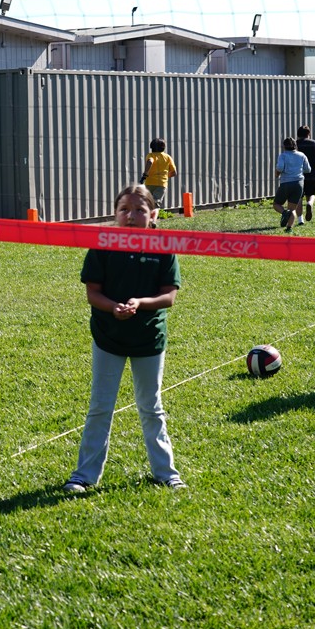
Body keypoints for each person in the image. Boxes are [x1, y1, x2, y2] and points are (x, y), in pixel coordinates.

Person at [63, 184, 185, 494]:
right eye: (124, 210)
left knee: (151, 407)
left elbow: (169, 296)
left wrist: (140, 303)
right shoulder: (101, 245)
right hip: (109, 338)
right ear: (115, 213)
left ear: (153, 215)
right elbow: (93, 293)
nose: (131, 216)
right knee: (100, 407)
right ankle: (84, 476)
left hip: (148, 340)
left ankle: (166, 473)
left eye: (140, 210)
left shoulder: (163, 246)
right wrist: (113, 306)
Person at [272, 136, 311, 231]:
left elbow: (280, 168)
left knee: (276, 204)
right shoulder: (302, 155)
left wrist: (277, 174)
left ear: (284, 146)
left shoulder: (283, 155)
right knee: (292, 208)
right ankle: (289, 228)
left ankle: (284, 212)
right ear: (295, 145)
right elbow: (308, 169)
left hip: (286, 183)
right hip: (299, 184)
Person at [140, 137, 177, 208]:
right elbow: (174, 172)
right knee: (156, 202)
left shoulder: (150, 155)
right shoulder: (167, 157)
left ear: (151, 147)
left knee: (148, 201)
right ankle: (153, 216)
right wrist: (165, 177)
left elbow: (150, 161)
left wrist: (145, 175)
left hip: (150, 182)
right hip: (161, 183)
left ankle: (147, 215)